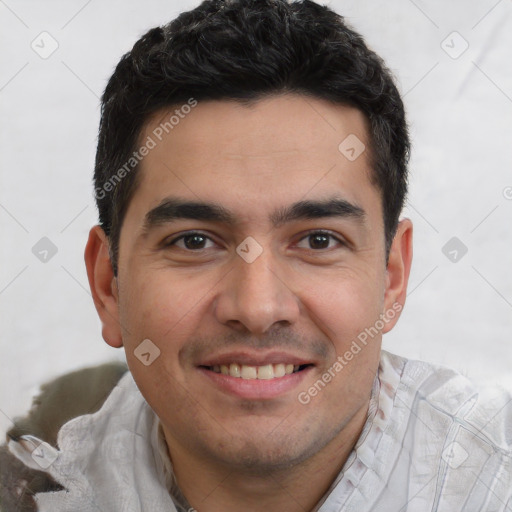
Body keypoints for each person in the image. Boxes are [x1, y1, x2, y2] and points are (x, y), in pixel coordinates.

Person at [3, 0, 512, 510]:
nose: (258, 308)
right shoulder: (32, 491)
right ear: (108, 286)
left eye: (318, 240)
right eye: (194, 241)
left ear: (392, 277)